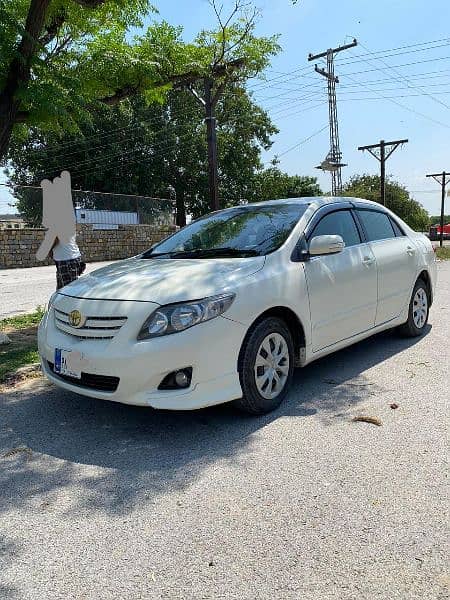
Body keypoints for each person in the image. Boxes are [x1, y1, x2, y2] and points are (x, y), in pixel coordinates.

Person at [35, 170, 86, 289]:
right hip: (68, 257)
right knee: (65, 292)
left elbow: (56, 236)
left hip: (66, 259)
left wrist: (47, 249)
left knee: (67, 293)